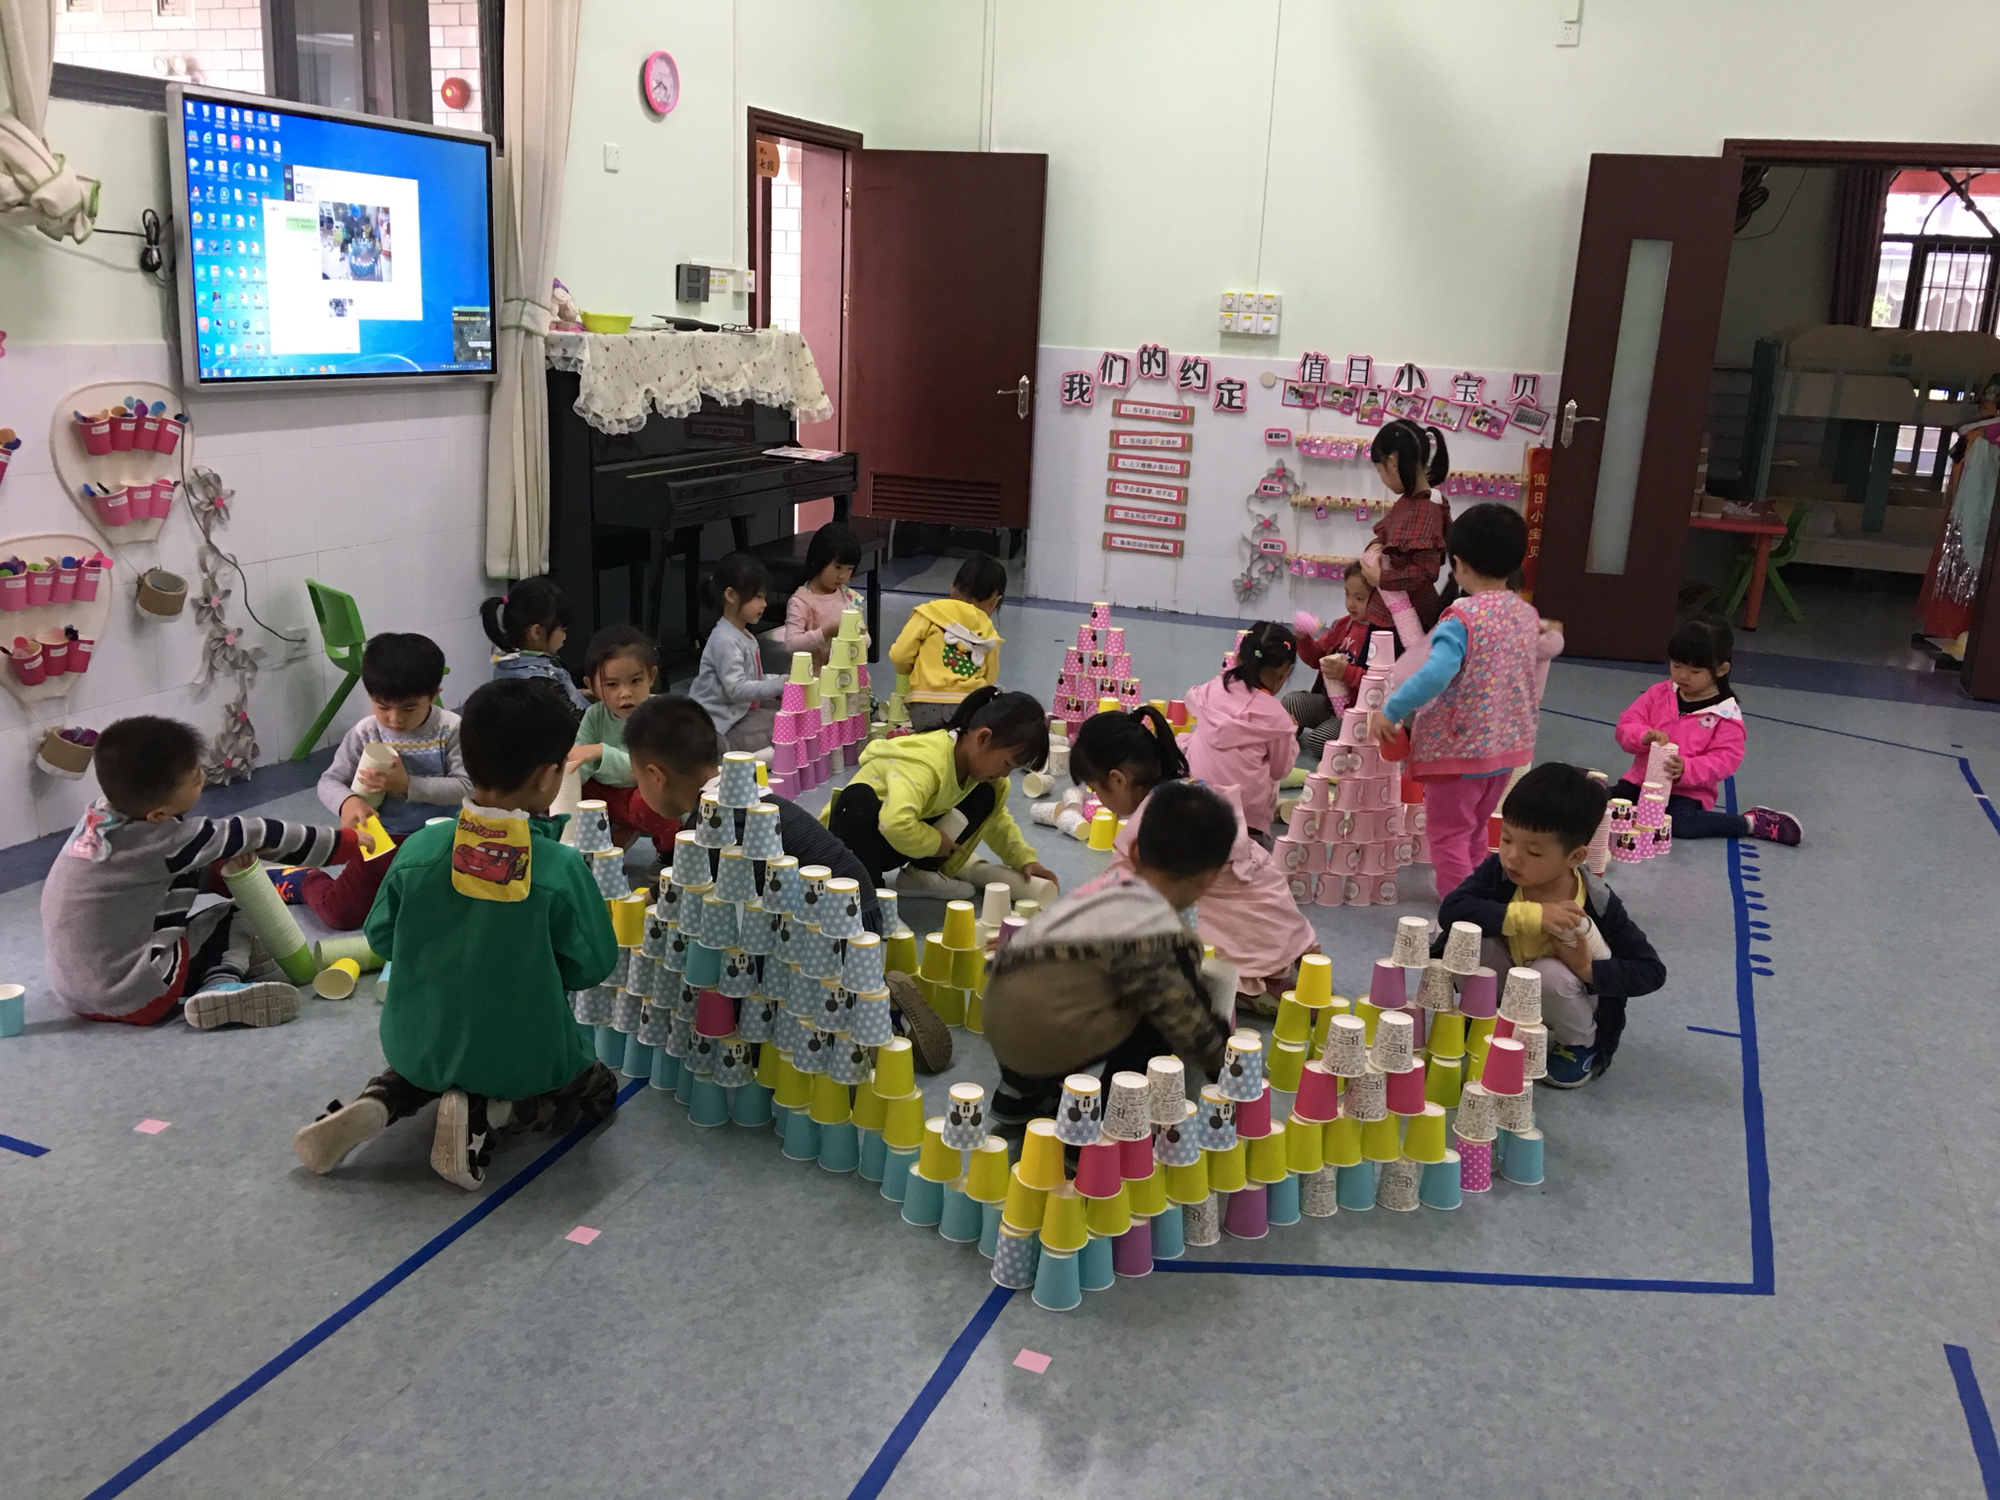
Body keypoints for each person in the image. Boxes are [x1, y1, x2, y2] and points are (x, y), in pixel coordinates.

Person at [291, 679, 621, 1189]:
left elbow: (380, 938)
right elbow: (592, 966)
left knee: (427, 1063)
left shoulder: (419, 850)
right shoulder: (558, 868)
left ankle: (379, 1101)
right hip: (523, 1054)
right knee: (598, 1092)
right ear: (548, 776)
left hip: (417, 1043)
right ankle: (494, 1115)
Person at [621, 692, 955, 1072]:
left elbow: (685, 894)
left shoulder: (714, 824)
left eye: (637, 779)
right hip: (861, 913)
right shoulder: (748, 793)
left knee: (732, 983)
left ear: (655, 776)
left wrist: (634, 915)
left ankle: (874, 1017)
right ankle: (866, 992)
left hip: (828, 936)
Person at [41, 716, 360, 1028]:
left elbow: (164, 873)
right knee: (239, 914)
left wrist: (220, 873)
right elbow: (259, 834)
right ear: (158, 815)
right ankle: (220, 984)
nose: (202, 777)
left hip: (75, 993)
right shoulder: (170, 839)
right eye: (195, 778)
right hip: (137, 994)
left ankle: (232, 959)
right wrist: (344, 844)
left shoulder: (98, 820)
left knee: (197, 887)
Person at [982, 780, 1239, 1123]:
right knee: (1159, 1016)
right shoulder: (1161, 934)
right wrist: (1229, 1069)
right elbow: (1188, 1022)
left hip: (997, 1018)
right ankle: (1109, 1120)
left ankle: (1016, 1095)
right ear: (1208, 878)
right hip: (1040, 1047)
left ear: (1133, 850)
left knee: (1085, 987)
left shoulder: (1103, 889)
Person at [1070, 706, 1318, 1014]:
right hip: (1287, 934)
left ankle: (1256, 988)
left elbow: (1112, 891)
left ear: (1118, 779)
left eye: (1096, 789)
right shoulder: (1191, 790)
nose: (1099, 799)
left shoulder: (1151, 821)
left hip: (1251, 950)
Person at [1437, 762, 1665, 1087]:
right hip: (1511, 983)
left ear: (1575, 857)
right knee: (1468, 939)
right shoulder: (1499, 872)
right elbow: (1452, 911)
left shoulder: (1598, 902)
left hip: (1564, 994)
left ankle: (1580, 1044)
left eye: (1533, 852)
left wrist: (1588, 969)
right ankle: (1484, 1016)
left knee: (1549, 974)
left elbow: (1651, 971)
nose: (1512, 857)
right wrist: (1533, 915)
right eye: (1506, 839)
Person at [1370, 503, 1542, 897]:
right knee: (1476, 829)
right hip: (1505, 748)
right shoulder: (1525, 614)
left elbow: (1436, 673)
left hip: (1459, 750)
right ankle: (1479, 895)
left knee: (1448, 834)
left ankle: (1461, 907)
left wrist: (1392, 710)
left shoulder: (1462, 618)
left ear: (1459, 564)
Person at [284, 633, 468, 930]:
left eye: (409, 708)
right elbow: (329, 781)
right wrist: (347, 802)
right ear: (370, 695)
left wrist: (406, 786)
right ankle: (304, 879)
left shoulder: (451, 729)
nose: (394, 719)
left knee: (446, 915)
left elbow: (466, 787)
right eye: (382, 707)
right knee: (340, 914)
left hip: (442, 839)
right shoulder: (366, 733)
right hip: (382, 837)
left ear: (434, 694)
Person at [825, 685, 1058, 903]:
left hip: (900, 836)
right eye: (1007, 764)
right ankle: (868, 893)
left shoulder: (983, 775)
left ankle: (920, 875)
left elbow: (995, 821)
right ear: (983, 738)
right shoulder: (926, 763)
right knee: (857, 799)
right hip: (854, 836)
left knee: (987, 796)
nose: (1005, 774)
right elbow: (894, 822)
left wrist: (1024, 860)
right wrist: (935, 843)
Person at [1610, 615, 1801, 844]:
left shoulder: (1725, 714)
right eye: (1676, 665)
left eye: (1694, 671)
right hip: (1641, 781)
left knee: (1680, 823)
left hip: (1687, 792)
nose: (1682, 675)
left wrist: (1686, 769)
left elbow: (1724, 759)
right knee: (1609, 805)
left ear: (1721, 670)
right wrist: (1642, 736)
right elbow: (1627, 723)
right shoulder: (1660, 693)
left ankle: (1751, 823)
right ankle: (1588, 784)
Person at [566, 625, 680, 857]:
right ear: (592, 686)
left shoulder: (659, 715)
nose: (625, 693)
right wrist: (565, 778)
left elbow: (649, 772)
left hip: (641, 794)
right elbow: (581, 758)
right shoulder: (595, 715)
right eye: (612, 684)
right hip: (606, 798)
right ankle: (601, 842)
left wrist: (601, 752)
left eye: (635, 681)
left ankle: (668, 852)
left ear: (651, 677)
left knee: (661, 801)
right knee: (572, 791)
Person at [1182, 620, 1300, 836]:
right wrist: (1289, 732)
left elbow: (1190, 699)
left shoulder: (1209, 690)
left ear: (1236, 658)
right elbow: (1280, 770)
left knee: (1187, 740)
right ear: (1284, 672)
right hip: (1246, 820)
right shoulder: (1278, 719)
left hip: (1195, 803)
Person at [1916, 375, 2000, 652]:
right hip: (1965, 511)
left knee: (1970, 571)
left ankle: (1963, 637)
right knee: (1954, 570)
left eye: (1988, 402)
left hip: (1976, 514)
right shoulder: (1978, 433)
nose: (1983, 407)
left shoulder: (1986, 437)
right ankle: (1946, 631)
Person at [886, 553, 1006, 732]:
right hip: (968, 706)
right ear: (995, 600)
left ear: (952, 589)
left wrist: (914, 672)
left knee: (928, 740)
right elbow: (989, 677)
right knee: (961, 743)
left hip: (924, 704)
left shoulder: (928, 613)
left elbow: (899, 656)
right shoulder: (987, 630)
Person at [1361, 418, 1452, 644]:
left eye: (1379, 470)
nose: (1382, 478)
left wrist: (1382, 578)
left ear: (1392, 462)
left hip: (1405, 622)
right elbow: (1388, 536)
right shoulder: (1413, 500)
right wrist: (1375, 546)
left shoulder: (1426, 508)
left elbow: (1425, 571)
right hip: (1390, 615)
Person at [688, 552, 789, 753]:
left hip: (737, 713)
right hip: (717, 726)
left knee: (787, 714)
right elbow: (737, 689)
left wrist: (784, 681)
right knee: (782, 725)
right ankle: (722, 753)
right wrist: (780, 684)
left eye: (764, 597)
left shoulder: (743, 635)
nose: (764, 604)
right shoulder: (725, 640)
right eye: (757, 597)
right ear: (731, 595)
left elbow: (755, 678)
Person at [1286, 562, 1376, 756]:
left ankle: (1348, 735)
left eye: (1359, 598)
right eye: (1347, 594)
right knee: (1291, 702)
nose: (1351, 603)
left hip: (1354, 714)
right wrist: (1303, 639)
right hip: (1327, 703)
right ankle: (1323, 726)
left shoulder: (1380, 634)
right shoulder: (1342, 626)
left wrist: (1346, 673)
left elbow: (1379, 686)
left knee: (1319, 742)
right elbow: (1316, 658)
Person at [483, 576, 587, 713]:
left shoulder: (507, 664)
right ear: (536, 632)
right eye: (562, 629)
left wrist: (581, 694)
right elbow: (575, 720)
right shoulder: (539, 682)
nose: (564, 636)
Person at [776, 521, 869, 672]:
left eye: (849, 569)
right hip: (812, 677)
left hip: (844, 674)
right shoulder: (802, 601)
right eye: (837, 567)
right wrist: (825, 633)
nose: (843, 576)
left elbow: (866, 639)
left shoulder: (848, 597)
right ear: (817, 560)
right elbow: (791, 645)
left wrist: (859, 636)